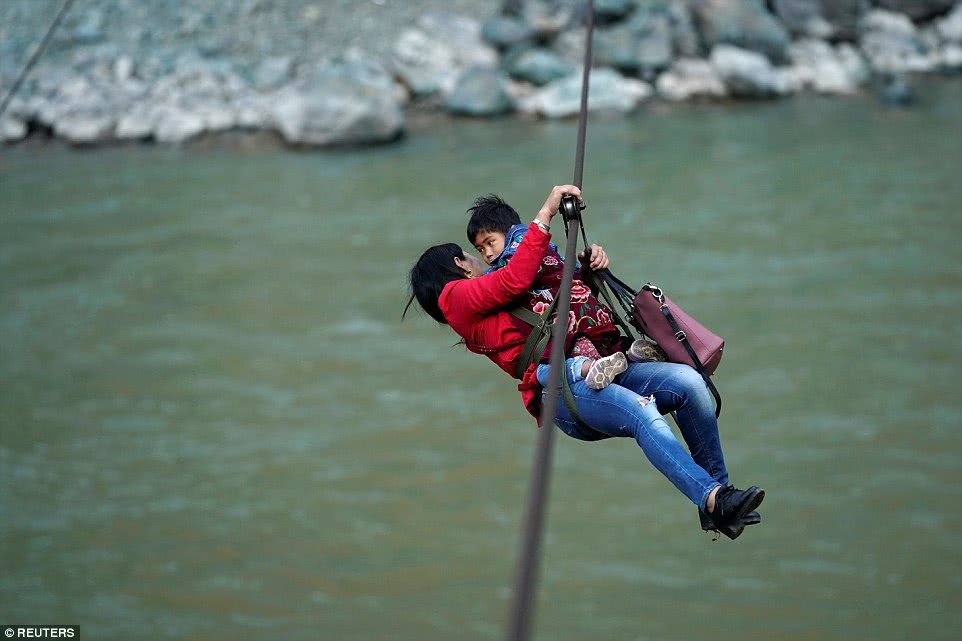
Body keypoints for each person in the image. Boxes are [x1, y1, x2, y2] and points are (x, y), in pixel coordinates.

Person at [404, 184, 764, 539]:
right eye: (472, 254)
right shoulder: (457, 298)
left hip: (602, 361)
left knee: (689, 384)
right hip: (565, 390)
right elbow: (516, 281)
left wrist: (587, 269)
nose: (481, 257)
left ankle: (721, 501)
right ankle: (711, 497)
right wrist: (545, 214)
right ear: (459, 265)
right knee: (642, 411)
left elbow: (565, 303)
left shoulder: (492, 289)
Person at [466, 193, 652, 390]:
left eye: (490, 242)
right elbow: (574, 276)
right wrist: (586, 267)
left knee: (580, 353)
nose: (487, 253)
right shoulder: (548, 249)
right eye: (480, 249)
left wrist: (481, 280)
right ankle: (633, 354)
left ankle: (599, 367)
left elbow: (506, 279)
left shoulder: (515, 256)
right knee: (612, 348)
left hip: (572, 329)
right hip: (594, 317)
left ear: (510, 232)